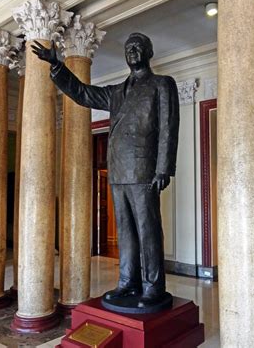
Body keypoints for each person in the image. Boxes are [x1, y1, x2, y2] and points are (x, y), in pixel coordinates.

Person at [32, 32, 179, 309]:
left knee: (148, 230)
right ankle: (128, 282)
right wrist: (57, 66)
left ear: (149, 52)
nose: (132, 51)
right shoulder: (116, 92)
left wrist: (164, 168)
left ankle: (153, 286)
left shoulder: (162, 84)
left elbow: (169, 127)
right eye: (129, 48)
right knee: (125, 231)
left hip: (145, 170)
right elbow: (84, 94)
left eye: (138, 46)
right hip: (119, 170)